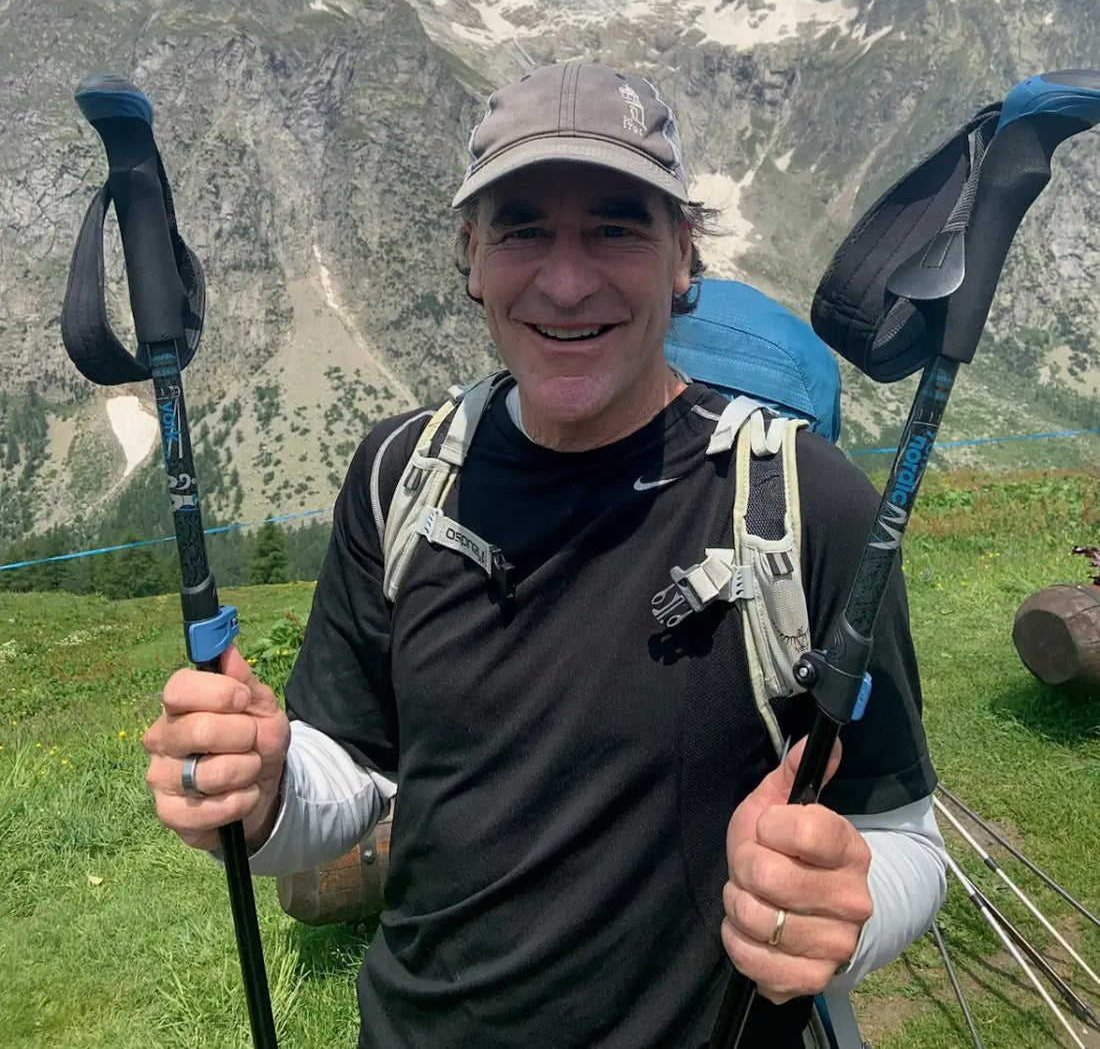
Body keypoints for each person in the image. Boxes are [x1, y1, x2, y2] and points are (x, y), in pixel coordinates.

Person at [143, 60, 946, 1049]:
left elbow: (902, 836)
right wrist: (264, 790)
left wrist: (847, 911)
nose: (566, 283)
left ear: (681, 256)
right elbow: (353, 774)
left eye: (616, 225)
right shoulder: (400, 475)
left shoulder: (803, 502)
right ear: (471, 257)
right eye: (522, 228)